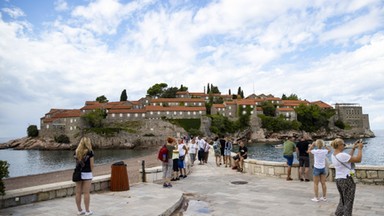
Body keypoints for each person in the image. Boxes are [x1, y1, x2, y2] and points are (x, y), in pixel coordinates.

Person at [331, 138, 363, 216]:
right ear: (339, 146)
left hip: (339, 179)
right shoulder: (342, 155)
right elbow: (358, 159)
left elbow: (348, 158)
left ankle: (338, 213)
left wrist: (353, 148)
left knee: (342, 199)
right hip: (347, 179)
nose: (345, 146)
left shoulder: (333, 155)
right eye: (344, 144)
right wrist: (360, 149)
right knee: (349, 200)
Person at [74, 137, 94, 216]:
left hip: (78, 173)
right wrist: (91, 171)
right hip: (87, 173)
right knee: (86, 193)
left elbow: (77, 164)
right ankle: (87, 211)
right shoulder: (90, 152)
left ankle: (79, 210)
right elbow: (92, 165)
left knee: (78, 192)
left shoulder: (76, 152)